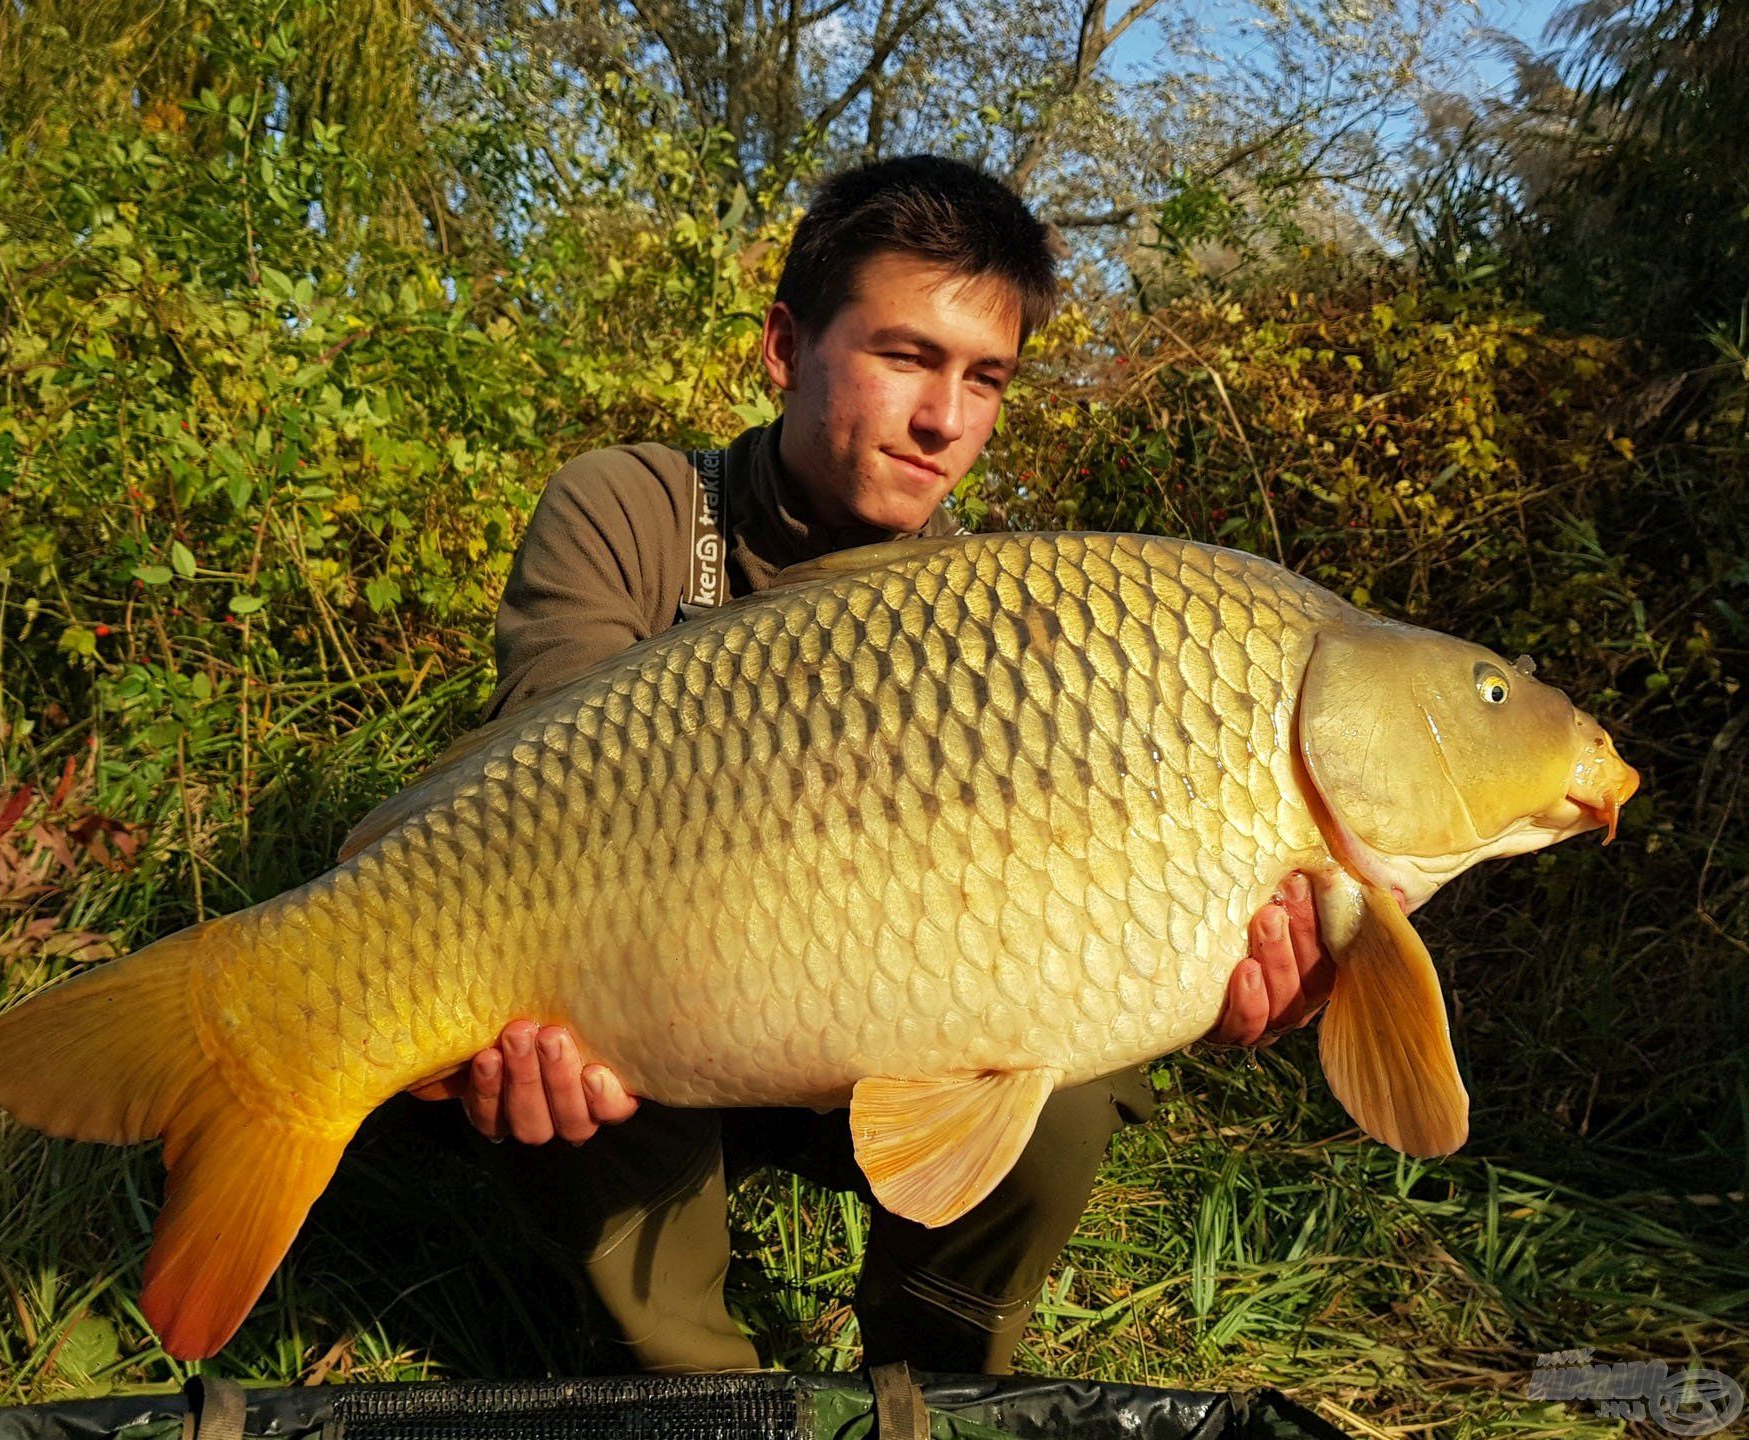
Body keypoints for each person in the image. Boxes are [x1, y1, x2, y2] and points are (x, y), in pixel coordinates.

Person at [412, 155, 1335, 1375]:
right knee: (557, 1002)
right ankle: (697, 1383)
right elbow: (546, 799)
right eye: (906, 356)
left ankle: (933, 1383)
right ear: (786, 346)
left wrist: (1209, 966)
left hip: (887, 1045)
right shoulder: (631, 508)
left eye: (985, 378)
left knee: (1062, 1094)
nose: (945, 420)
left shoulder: (1007, 617)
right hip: (662, 1019)